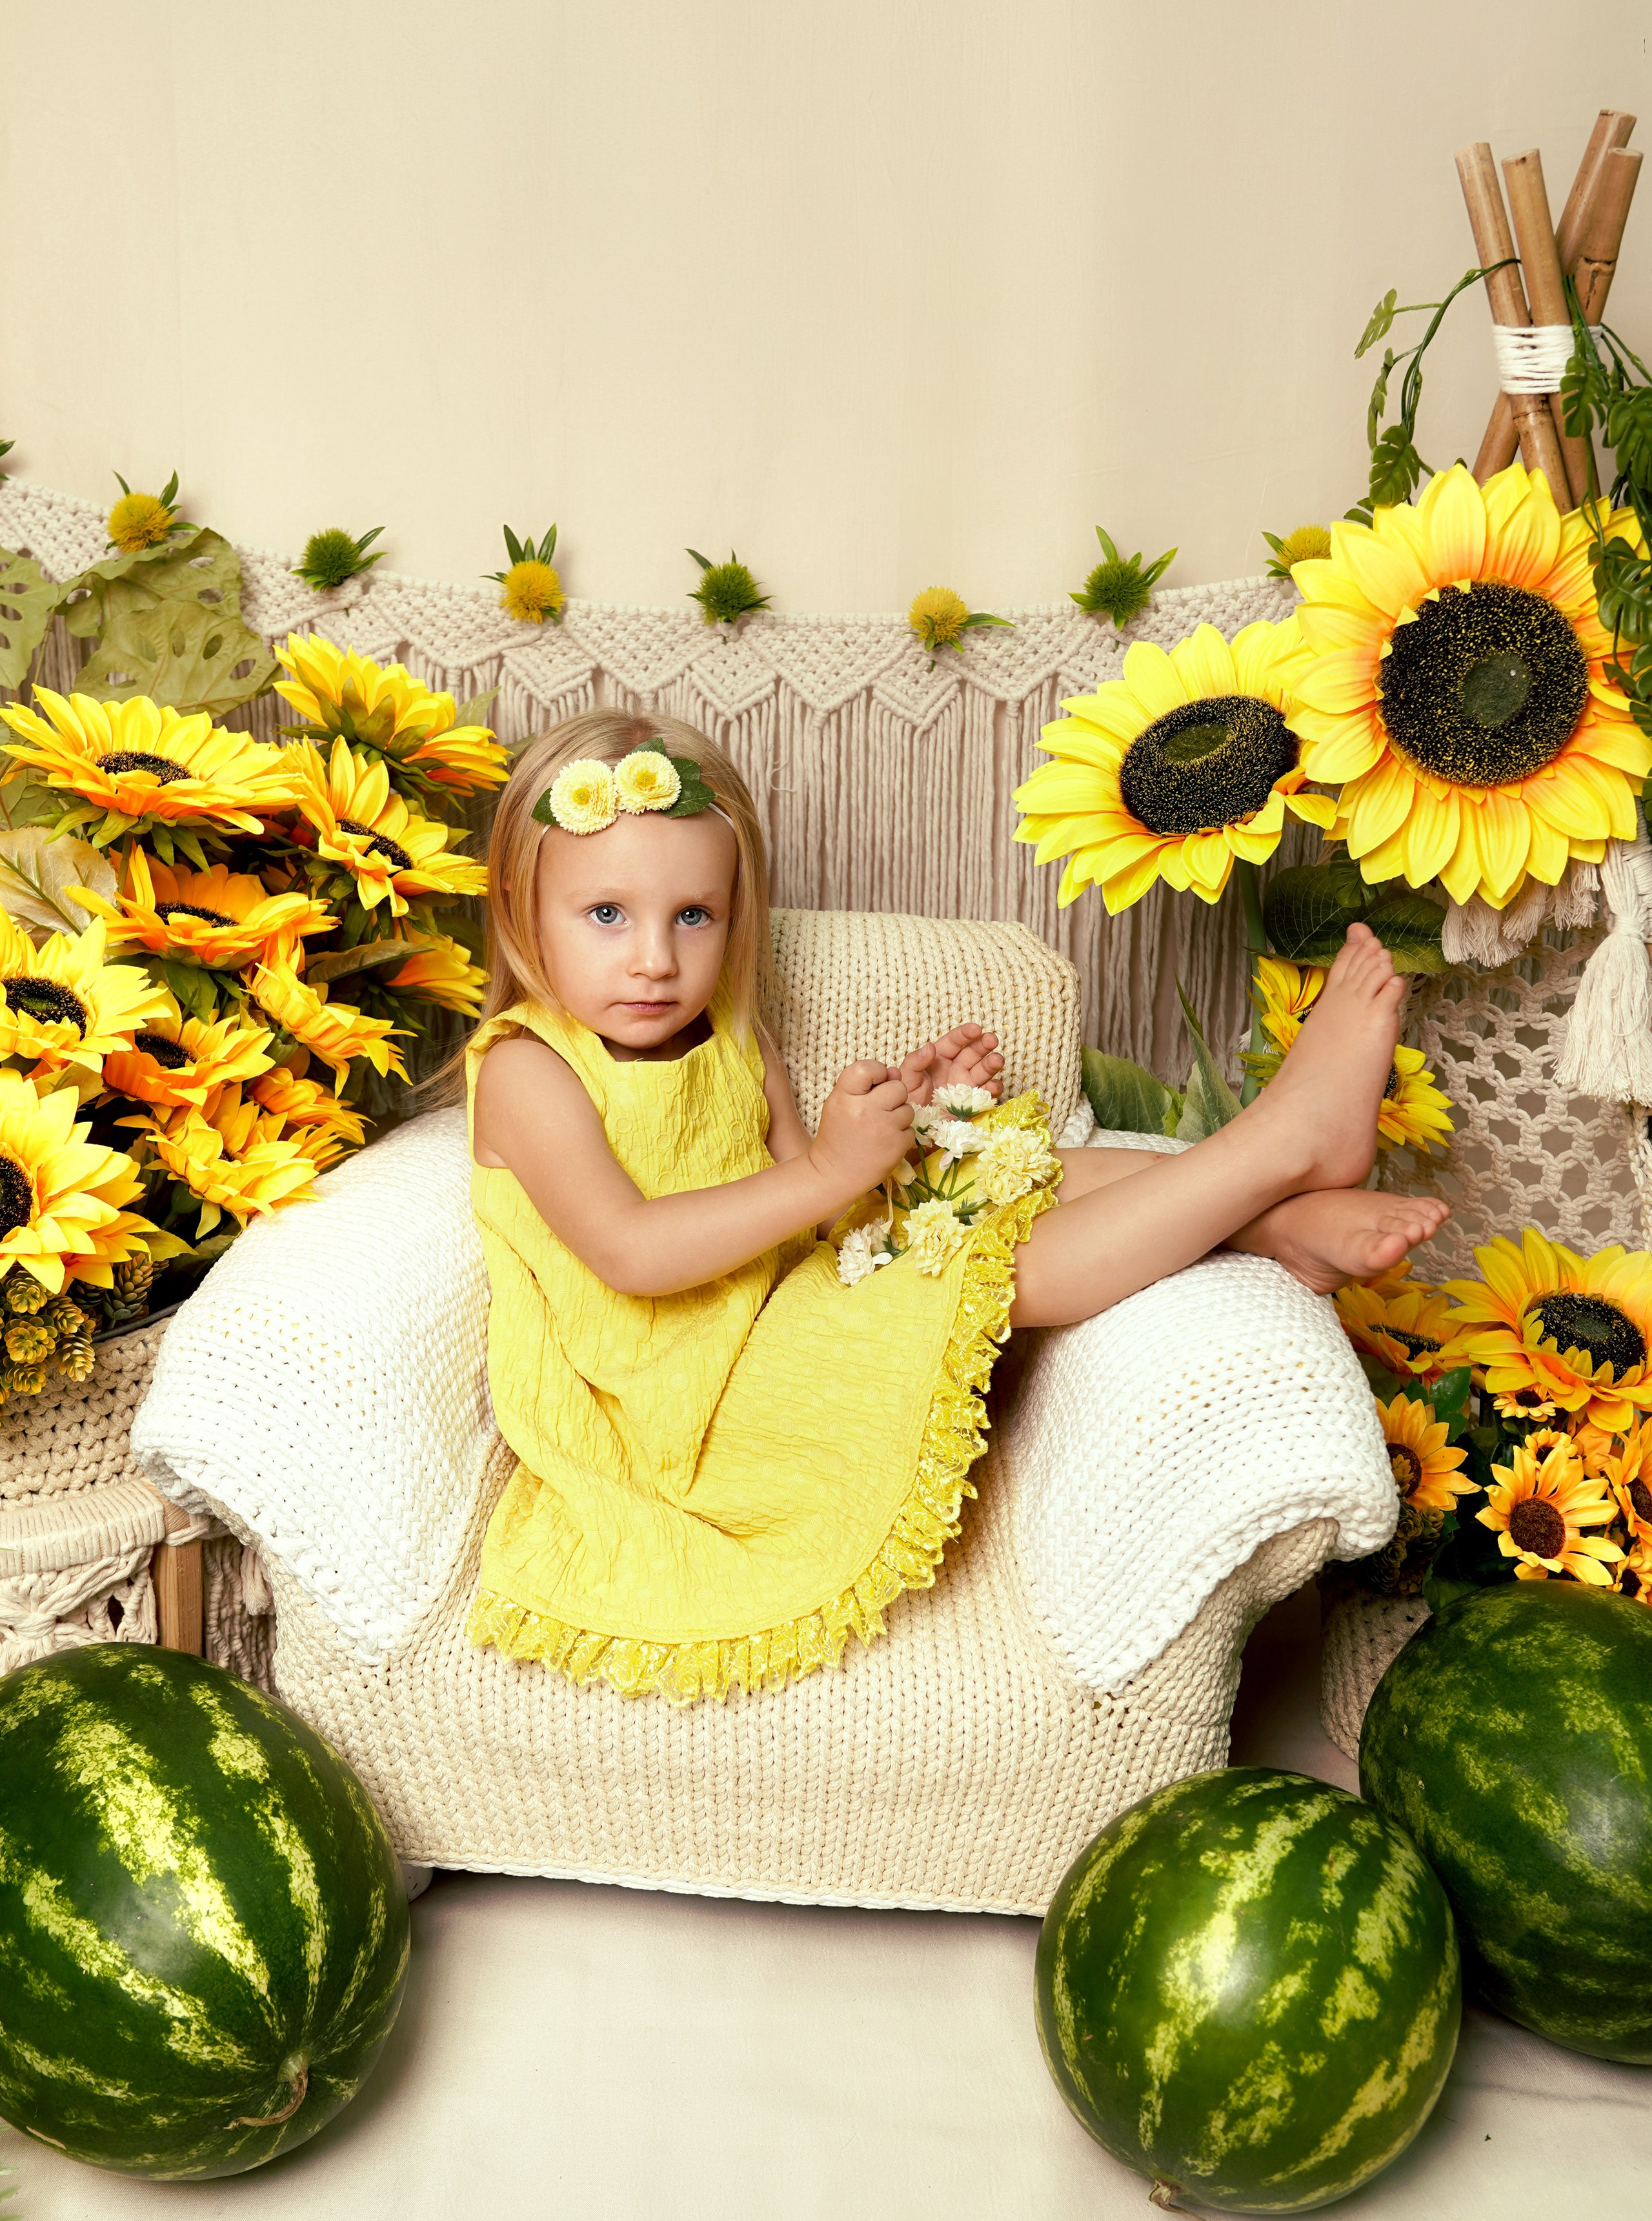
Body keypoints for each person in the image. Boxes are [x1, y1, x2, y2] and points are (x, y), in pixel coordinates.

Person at [465, 709, 1445, 1703]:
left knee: (999, 1169)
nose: (654, 960)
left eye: (693, 916)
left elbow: (806, 1215)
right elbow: (633, 1253)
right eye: (605, 917)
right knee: (976, 1271)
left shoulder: (728, 1033)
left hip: (772, 1319)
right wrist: (827, 1175)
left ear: (733, 913)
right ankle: (1276, 1149)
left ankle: (1271, 1219)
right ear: (522, 909)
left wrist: (900, 1123)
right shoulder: (528, 1071)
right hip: (681, 1423)